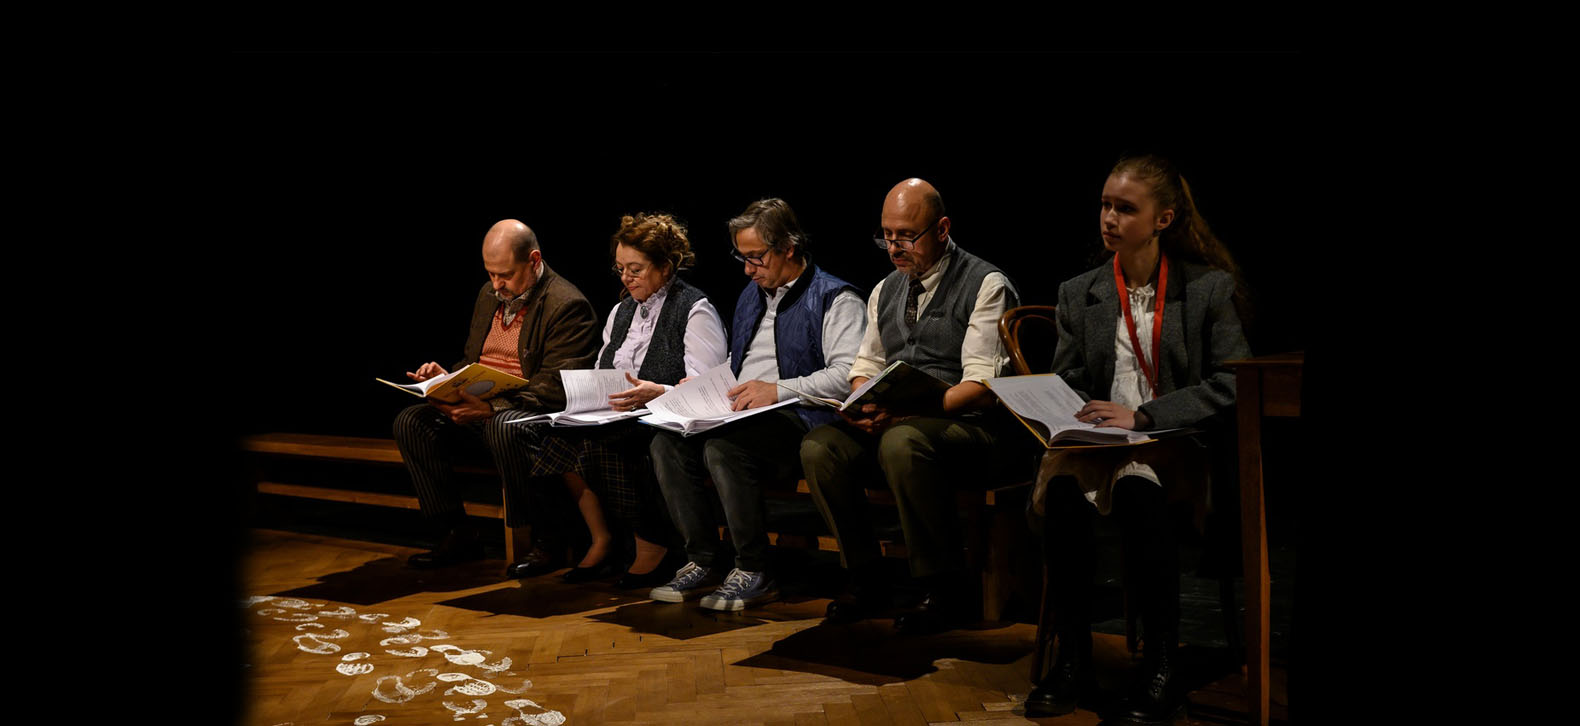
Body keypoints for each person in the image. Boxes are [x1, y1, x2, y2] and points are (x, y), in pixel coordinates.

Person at [1022, 155, 1251, 724]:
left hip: (1176, 442)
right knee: (1063, 492)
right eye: (1105, 205)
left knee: (1137, 491)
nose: (1109, 218)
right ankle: (1073, 658)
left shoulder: (1206, 288)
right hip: (1101, 441)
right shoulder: (1080, 292)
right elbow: (1070, 376)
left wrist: (1146, 416)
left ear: (1163, 219)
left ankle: (1161, 664)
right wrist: (1067, 410)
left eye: (1125, 208)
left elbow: (1232, 380)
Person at [799, 178, 1030, 635]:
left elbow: (980, 385)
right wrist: (865, 402)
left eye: (906, 236)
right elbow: (866, 365)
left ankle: (943, 586)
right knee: (820, 447)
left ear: (942, 229)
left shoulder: (985, 283)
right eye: (886, 236)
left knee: (904, 441)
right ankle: (866, 576)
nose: (893, 248)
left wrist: (908, 415)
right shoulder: (885, 289)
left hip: (974, 430)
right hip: (899, 426)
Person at [648, 198, 865, 611]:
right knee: (666, 442)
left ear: (789, 247)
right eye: (742, 258)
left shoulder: (835, 298)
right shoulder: (752, 294)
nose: (748, 269)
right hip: (744, 411)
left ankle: (754, 569)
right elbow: (741, 361)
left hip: (803, 418)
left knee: (724, 448)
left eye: (756, 257)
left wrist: (777, 390)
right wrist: (703, 386)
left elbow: (847, 376)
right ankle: (704, 561)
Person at [508, 212, 728, 589]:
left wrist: (658, 392)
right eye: (620, 269)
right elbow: (603, 368)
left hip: (670, 423)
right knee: (557, 437)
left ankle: (652, 542)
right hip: (624, 418)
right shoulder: (622, 311)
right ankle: (602, 539)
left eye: (636, 270)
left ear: (665, 266)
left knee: (601, 447)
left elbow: (708, 390)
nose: (626, 278)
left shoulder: (694, 309)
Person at [393, 219, 601, 569]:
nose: (496, 284)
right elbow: (475, 360)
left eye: (505, 275)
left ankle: (548, 539)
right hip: (483, 409)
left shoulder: (566, 305)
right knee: (411, 422)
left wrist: (492, 408)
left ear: (534, 261)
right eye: (490, 274)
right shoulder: (488, 295)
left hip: (531, 414)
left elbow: (556, 386)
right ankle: (456, 533)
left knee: (504, 427)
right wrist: (447, 380)